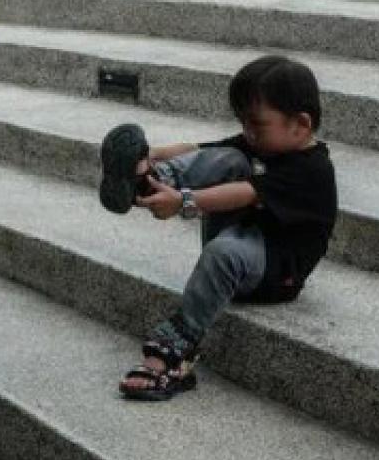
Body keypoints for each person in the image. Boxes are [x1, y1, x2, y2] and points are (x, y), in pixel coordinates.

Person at [98, 55, 338, 402]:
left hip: (272, 274)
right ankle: (147, 181)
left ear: (300, 125)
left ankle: (175, 353)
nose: (248, 132)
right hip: (242, 239)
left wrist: (183, 202)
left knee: (222, 252)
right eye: (243, 123)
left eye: (256, 124)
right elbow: (201, 150)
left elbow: (244, 192)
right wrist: (155, 156)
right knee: (229, 157)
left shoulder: (312, 171)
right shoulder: (261, 139)